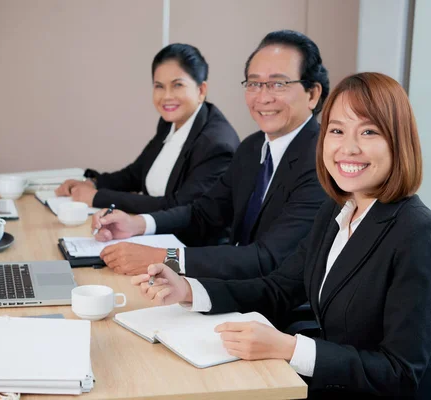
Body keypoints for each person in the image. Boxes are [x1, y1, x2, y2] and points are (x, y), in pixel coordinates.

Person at [131, 72, 431, 399]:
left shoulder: (420, 235)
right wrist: (188, 289)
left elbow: (400, 373)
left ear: (399, 142)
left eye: (368, 131)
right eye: (337, 130)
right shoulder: (339, 209)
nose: (348, 147)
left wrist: (290, 348)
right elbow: (279, 287)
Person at [91, 30, 329, 279]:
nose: (263, 97)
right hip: (233, 288)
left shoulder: (321, 162)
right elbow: (203, 213)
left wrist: (163, 259)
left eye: (278, 84)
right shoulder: (253, 146)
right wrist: (136, 224)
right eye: (254, 84)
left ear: (312, 94)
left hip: (277, 310)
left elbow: (266, 258)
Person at [55, 43, 240, 214]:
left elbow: (180, 208)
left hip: (188, 246)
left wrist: (98, 198)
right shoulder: (170, 122)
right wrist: (93, 183)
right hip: (158, 234)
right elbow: (136, 173)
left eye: (177, 85)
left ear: (201, 90)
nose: (166, 96)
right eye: (159, 86)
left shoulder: (216, 145)